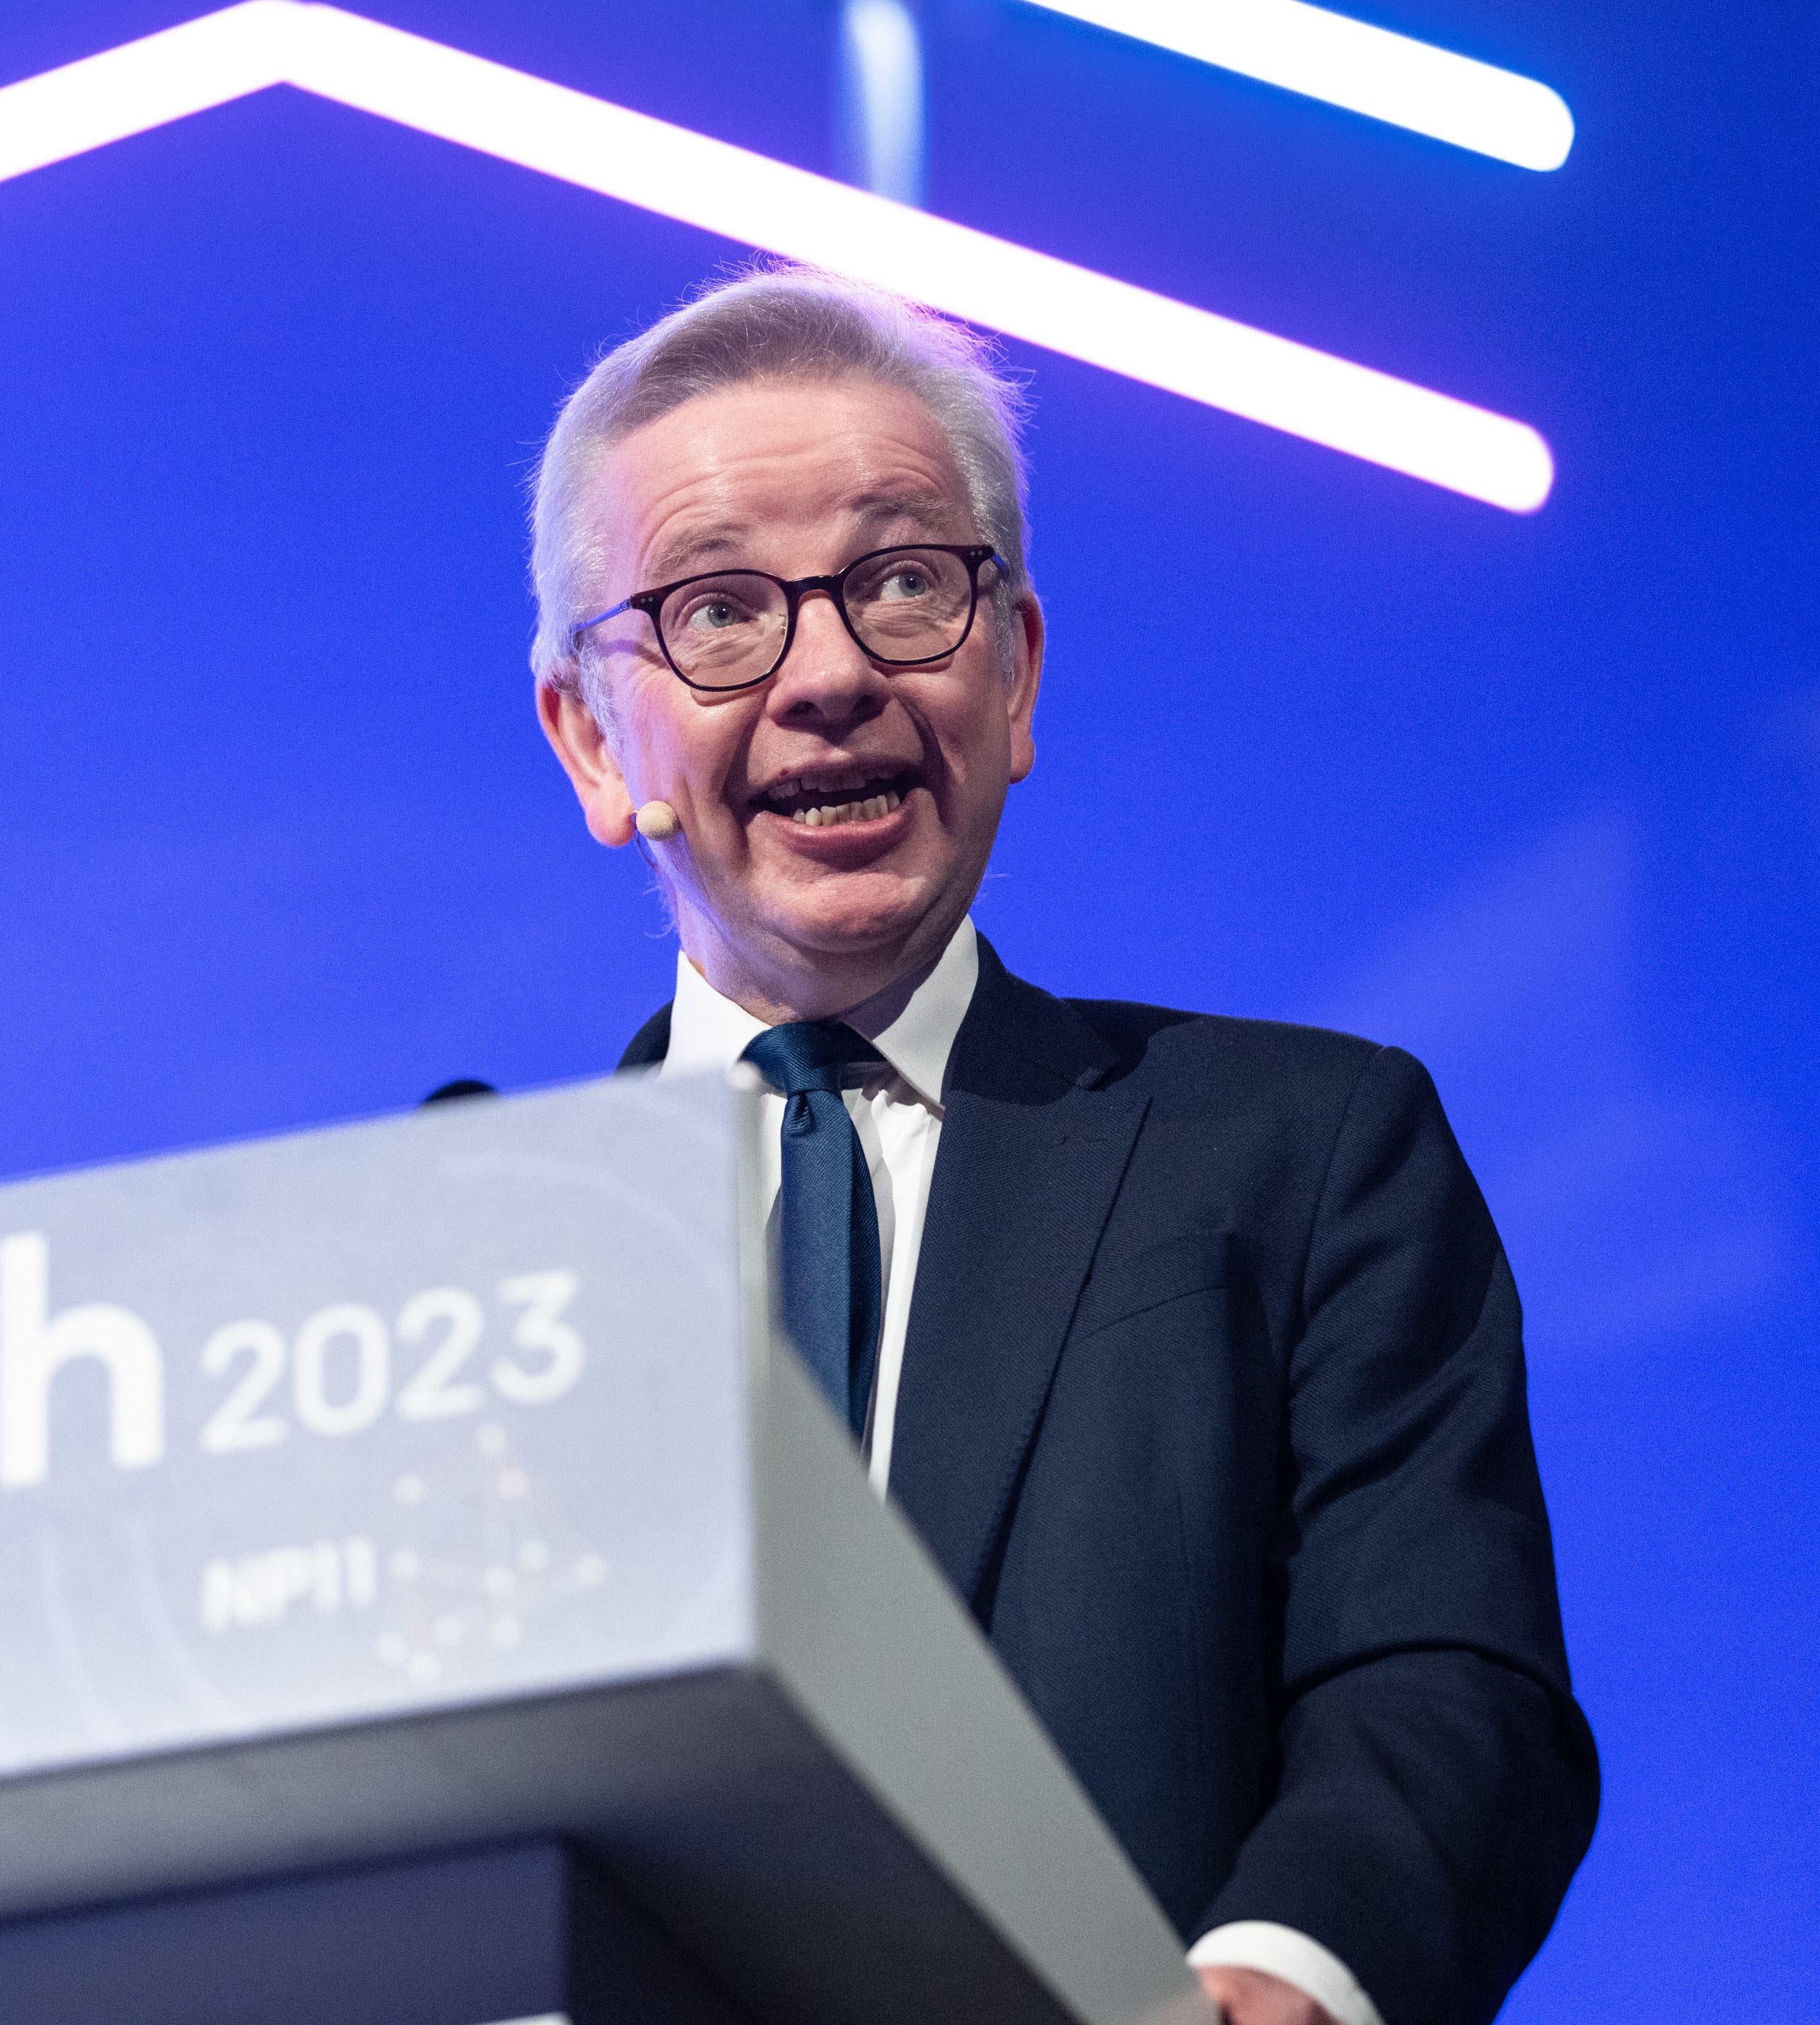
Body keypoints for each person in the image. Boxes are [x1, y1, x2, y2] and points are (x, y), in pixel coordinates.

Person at [530, 269, 1596, 2025]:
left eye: (898, 585)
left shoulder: (1305, 1153)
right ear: (592, 736)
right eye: (719, 612)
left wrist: (1280, 1982)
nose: (827, 676)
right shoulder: (484, 1274)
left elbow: (1443, 1680)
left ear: (1012, 673)